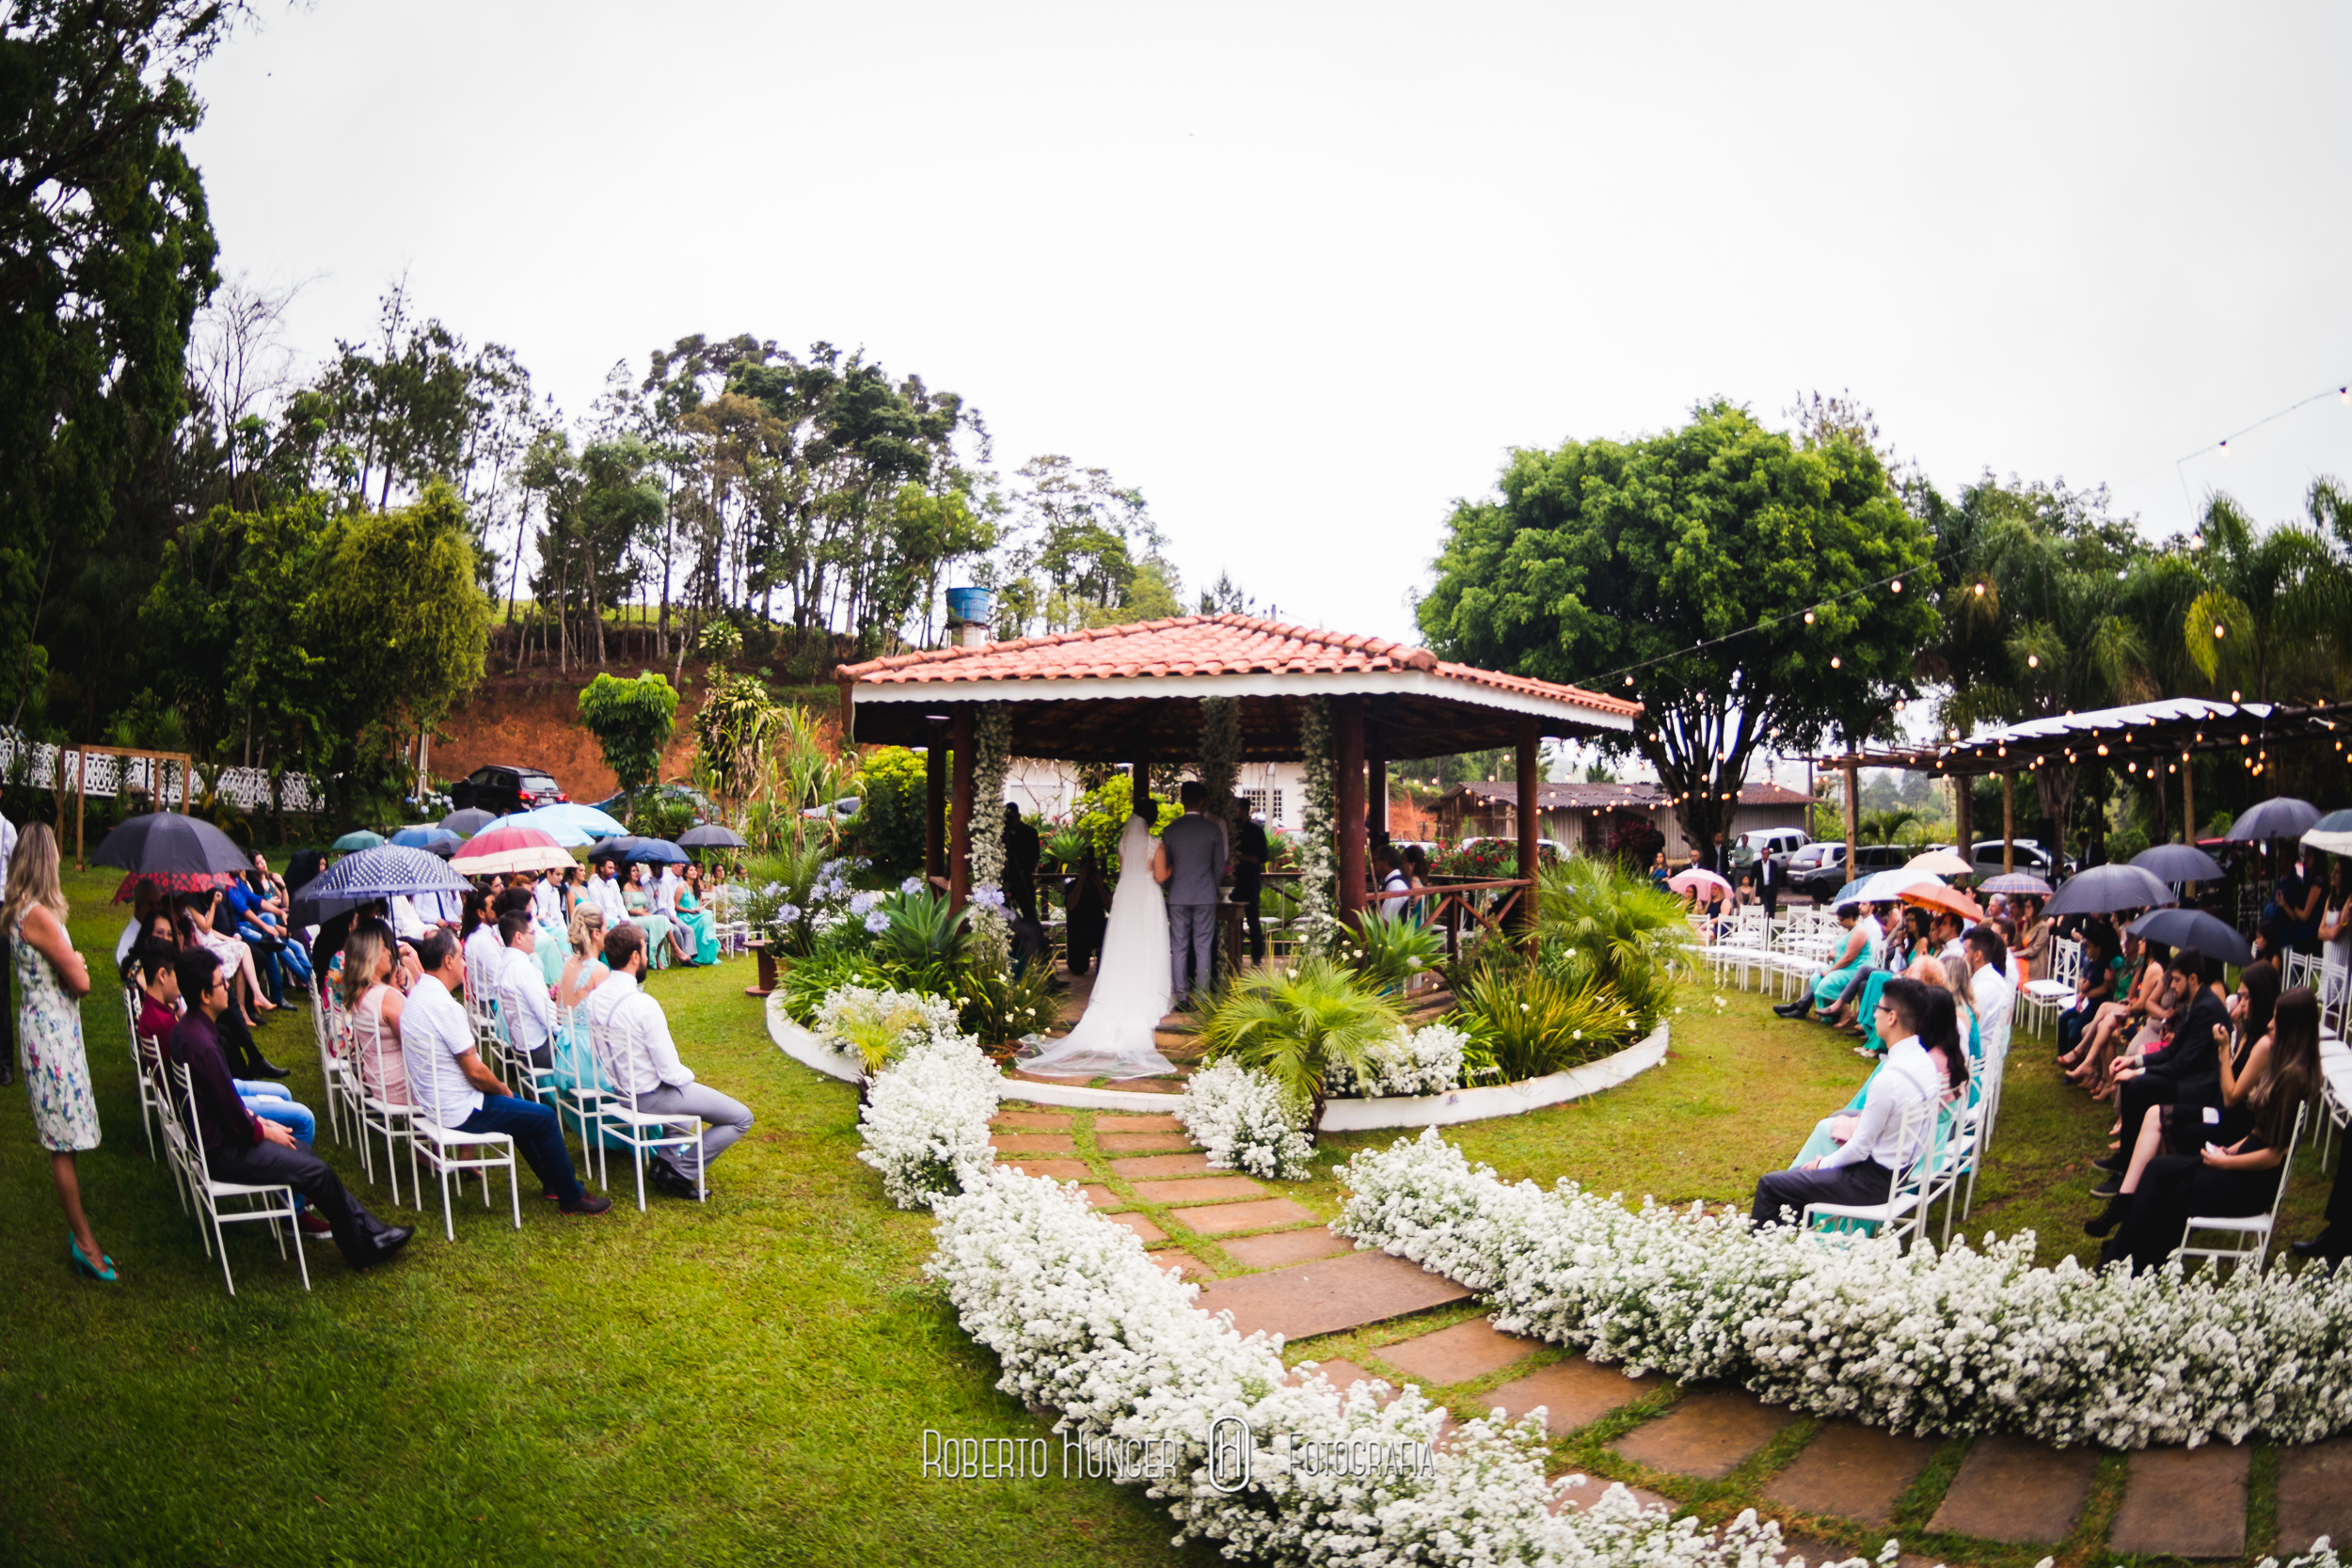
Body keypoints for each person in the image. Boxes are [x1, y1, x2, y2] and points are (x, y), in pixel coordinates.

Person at [168, 946, 415, 1270]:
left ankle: (372, 1231)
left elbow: (224, 1104)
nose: (228, 987)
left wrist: (261, 1125)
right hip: (224, 1153)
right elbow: (232, 1117)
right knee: (317, 1172)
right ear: (204, 994)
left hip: (222, 1140)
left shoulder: (190, 1030)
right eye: (221, 983)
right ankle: (361, 1249)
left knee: (305, 1153)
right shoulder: (201, 1045)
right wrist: (265, 1130)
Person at [2096, 983, 2320, 1273]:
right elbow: (2261, 1132)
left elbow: (2274, 1155)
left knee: (2163, 1177)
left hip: (2249, 1185)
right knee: (2159, 1170)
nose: (2270, 1024)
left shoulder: (2293, 1077)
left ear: (2293, 1027)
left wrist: (2225, 1163)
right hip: (2239, 1164)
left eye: (2277, 1019)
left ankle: (2126, 1258)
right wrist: (2230, 1149)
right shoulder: (2286, 1065)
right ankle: (2129, 1253)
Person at [401, 928, 611, 1214]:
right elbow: (474, 1072)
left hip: (433, 1102)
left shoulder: (417, 995)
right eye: (461, 958)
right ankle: (571, 1196)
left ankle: (552, 1182)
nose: (465, 964)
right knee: (546, 1118)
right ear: (448, 961)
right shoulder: (445, 1006)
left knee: (522, 1114)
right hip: (458, 1108)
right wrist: (502, 1088)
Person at [6, 823, 114, 1281]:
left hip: (42, 1026)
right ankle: (85, 1243)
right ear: (47, 861)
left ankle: (84, 1238)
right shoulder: (39, 916)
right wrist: (79, 964)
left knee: (63, 1138)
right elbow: (83, 983)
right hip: (52, 1035)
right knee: (63, 1144)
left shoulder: (16, 912)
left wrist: (71, 962)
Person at [1753, 976, 1942, 1227]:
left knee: (1770, 1185)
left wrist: (1822, 1164)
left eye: (1878, 1009)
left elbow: (1860, 1148)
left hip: (1871, 1184)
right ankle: (1789, 1249)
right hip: (1900, 1175)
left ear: (1892, 1017)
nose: (1874, 1016)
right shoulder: (1925, 1062)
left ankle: (1763, 1256)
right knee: (1794, 1185)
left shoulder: (1890, 1078)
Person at [584, 924, 754, 1196]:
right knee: (741, 1118)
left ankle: (664, 1162)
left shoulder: (595, 998)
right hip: (648, 1096)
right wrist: (691, 1082)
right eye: (645, 951)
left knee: (686, 1107)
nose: (648, 958)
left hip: (621, 1092)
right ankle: (680, 1172)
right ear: (635, 957)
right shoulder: (642, 1004)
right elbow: (671, 1073)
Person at [1022, 807, 1176, 1079]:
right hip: (1147, 897)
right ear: (1153, 822)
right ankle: (1149, 990)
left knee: (1124, 946)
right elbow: (1161, 876)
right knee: (1147, 945)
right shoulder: (1157, 845)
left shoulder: (1123, 845)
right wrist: (1175, 865)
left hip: (1126, 895)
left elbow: (1126, 870)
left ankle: (1121, 989)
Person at [2108, 947, 2231, 1157]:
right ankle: (2125, 1157)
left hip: (2200, 1088)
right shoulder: (2195, 1002)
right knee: (2133, 1081)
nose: (2171, 986)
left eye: (2176, 980)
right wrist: (2133, 1062)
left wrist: (2138, 1072)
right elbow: (2173, 1051)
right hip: (2188, 1076)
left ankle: (2126, 1161)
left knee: (2138, 1085)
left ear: (2192, 979)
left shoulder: (2205, 1008)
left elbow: (2178, 1064)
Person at [1153, 782, 1229, 1006]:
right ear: (1203, 800)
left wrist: (1172, 888)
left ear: (1181, 799)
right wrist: (1211, 887)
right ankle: (1204, 997)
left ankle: (1183, 997)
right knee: (1203, 944)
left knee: (1179, 945)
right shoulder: (1212, 829)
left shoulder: (1170, 830)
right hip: (1205, 894)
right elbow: (1218, 866)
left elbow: (1166, 865)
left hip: (1178, 894)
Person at [1773, 902, 1879, 1022]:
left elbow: (1849, 957)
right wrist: (1833, 952)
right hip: (1842, 965)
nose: (1839, 922)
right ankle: (1825, 1015)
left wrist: (1830, 970)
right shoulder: (1843, 928)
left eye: (1841, 919)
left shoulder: (1859, 931)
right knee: (1815, 978)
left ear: (1850, 917)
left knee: (1826, 983)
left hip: (1855, 968)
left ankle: (1846, 1014)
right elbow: (1837, 946)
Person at [495, 911, 556, 1070]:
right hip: (540, 1050)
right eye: (532, 932)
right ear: (519, 937)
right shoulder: (525, 969)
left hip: (520, 1047)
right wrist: (566, 1033)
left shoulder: (503, 965)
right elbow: (548, 1018)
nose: (535, 937)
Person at [1962, 926, 2015, 1065]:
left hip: (1977, 1066)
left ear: (1977, 955)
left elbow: (1967, 1032)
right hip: (1988, 1058)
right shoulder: (1993, 979)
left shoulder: (1982, 988)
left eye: (1966, 951)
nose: (1963, 957)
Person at [1061, 844, 1110, 977]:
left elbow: (1110, 908)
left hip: (1097, 928)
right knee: (1078, 969)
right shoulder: (1072, 886)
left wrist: (1099, 885)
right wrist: (1081, 880)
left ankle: (1103, 962)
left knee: (1108, 925)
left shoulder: (1102, 886)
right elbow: (1070, 905)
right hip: (1078, 932)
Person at [669, 863, 720, 966]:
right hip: (685, 916)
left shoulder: (697, 887)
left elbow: (699, 905)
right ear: (686, 874)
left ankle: (707, 944)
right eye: (691, 870)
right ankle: (708, 940)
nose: (694, 872)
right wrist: (690, 911)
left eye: (695, 870)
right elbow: (675, 906)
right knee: (707, 915)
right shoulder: (681, 886)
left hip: (696, 916)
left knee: (706, 914)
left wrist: (698, 909)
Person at [1003, 802, 1041, 925]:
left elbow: (1034, 855)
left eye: (1012, 817)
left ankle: (1033, 940)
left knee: (1030, 915)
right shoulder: (1002, 834)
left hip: (1024, 877)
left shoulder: (1029, 832)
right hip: (1006, 880)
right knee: (1003, 914)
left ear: (1018, 816)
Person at [1755, 844, 1781, 919]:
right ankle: (1764, 922)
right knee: (1764, 907)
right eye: (1764, 854)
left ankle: (1771, 924)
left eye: (1767, 854)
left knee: (1772, 907)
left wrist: (1776, 887)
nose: (1765, 855)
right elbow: (1753, 876)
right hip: (1762, 889)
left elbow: (1778, 876)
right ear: (1762, 854)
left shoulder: (1773, 863)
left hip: (1771, 888)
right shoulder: (1757, 864)